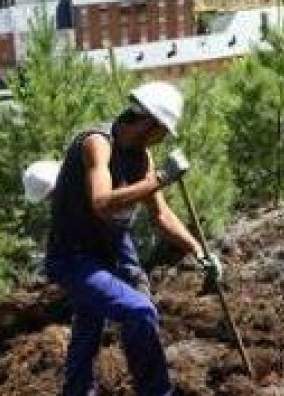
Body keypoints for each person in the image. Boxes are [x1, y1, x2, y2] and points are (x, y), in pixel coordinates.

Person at [45, 81, 223, 396]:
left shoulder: (141, 158)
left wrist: (198, 251)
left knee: (88, 327)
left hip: (105, 255)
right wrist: (161, 180)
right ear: (148, 123)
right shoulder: (97, 144)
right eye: (163, 130)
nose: (163, 138)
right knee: (140, 311)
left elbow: (161, 216)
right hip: (72, 258)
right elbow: (101, 203)